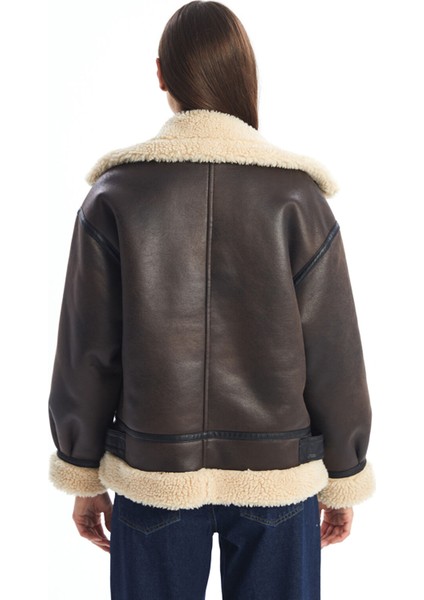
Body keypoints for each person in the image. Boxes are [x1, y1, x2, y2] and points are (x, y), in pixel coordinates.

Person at [48, 2, 375, 598]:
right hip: (277, 478)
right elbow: (333, 352)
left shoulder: (115, 197)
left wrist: (83, 471)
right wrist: (344, 472)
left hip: (153, 475)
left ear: (160, 73)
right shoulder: (298, 199)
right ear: (245, 75)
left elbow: (87, 351)